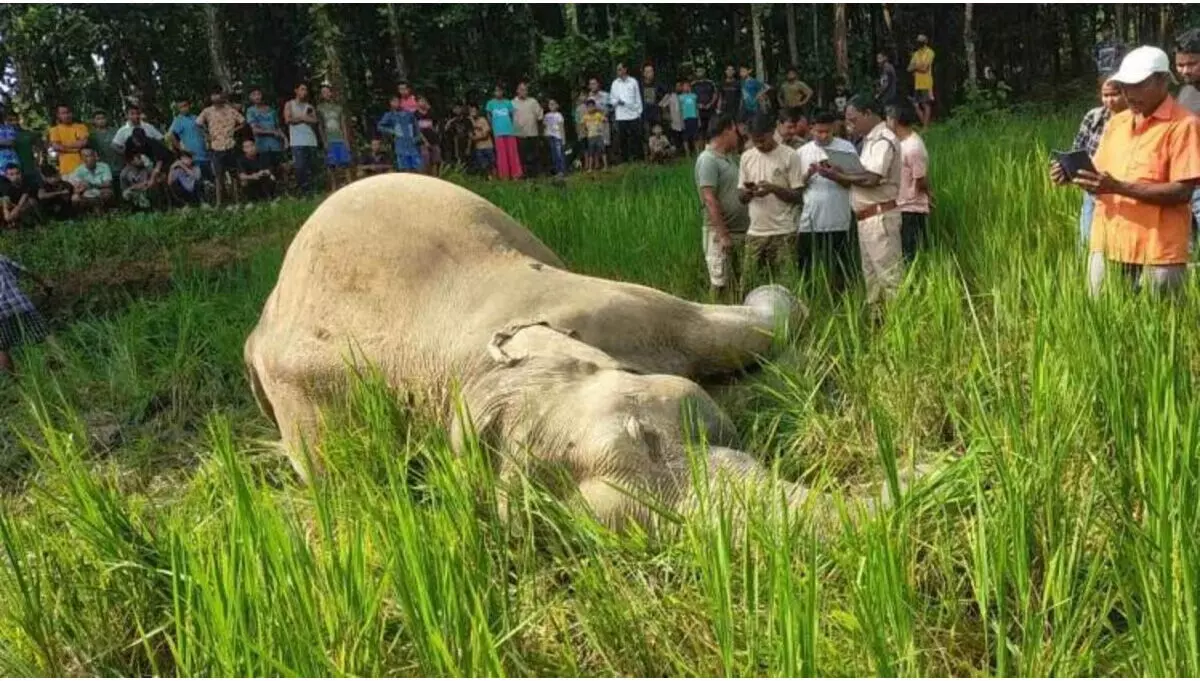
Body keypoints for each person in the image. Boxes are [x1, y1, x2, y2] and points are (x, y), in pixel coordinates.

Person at [1051, 46, 1200, 298]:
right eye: (1125, 86)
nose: (1129, 94)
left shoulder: (1183, 125)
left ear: (1163, 81)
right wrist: (1072, 174)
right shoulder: (1117, 122)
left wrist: (1118, 187)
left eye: (1139, 85)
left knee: (1159, 325)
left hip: (1158, 249)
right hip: (1109, 241)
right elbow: (1098, 173)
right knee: (1102, 319)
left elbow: (1182, 191)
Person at [815, 95, 904, 316]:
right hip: (866, 218)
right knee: (872, 277)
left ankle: (900, 324)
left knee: (889, 276)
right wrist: (836, 174)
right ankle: (878, 322)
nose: (850, 125)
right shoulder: (869, 141)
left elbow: (872, 179)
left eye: (854, 120)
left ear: (868, 114)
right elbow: (861, 177)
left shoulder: (883, 140)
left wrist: (841, 174)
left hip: (879, 217)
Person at [737, 113, 804, 283]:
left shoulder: (790, 155)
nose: (759, 145)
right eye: (755, 140)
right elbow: (741, 197)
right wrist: (749, 193)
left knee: (786, 282)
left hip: (784, 231)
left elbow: (798, 196)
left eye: (762, 140)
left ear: (772, 132)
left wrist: (773, 189)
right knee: (749, 282)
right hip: (756, 231)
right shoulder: (747, 157)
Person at [796, 110, 857, 293]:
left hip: (838, 219)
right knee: (806, 267)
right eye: (819, 131)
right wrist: (809, 173)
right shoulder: (801, 152)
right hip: (810, 221)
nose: (823, 136)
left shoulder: (846, 148)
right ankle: (809, 299)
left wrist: (835, 174)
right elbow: (796, 187)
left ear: (833, 130)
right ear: (811, 129)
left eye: (827, 132)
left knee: (840, 266)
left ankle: (841, 301)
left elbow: (854, 182)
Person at [695, 115, 749, 299]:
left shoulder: (729, 159)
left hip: (739, 230)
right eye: (735, 132)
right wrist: (722, 233)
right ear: (727, 130)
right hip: (721, 232)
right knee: (719, 282)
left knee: (736, 281)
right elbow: (709, 198)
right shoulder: (708, 159)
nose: (738, 137)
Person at [1071, 76, 1127, 249]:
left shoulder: (1134, 118)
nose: (1109, 100)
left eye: (1115, 95)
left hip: (1121, 188)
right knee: (1087, 241)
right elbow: (1078, 147)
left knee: (1118, 243)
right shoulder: (1094, 117)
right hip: (1092, 187)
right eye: (1105, 95)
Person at [888, 103, 932, 263]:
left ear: (895, 121)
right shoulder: (900, 143)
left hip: (911, 208)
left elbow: (920, 178)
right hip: (900, 205)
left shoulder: (913, 147)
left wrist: (929, 195)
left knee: (910, 253)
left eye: (888, 118)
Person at [0, 253, 53, 375]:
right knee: (45, 333)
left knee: (1, 347)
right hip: (20, 304)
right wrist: (44, 284)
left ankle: (10, 380)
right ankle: (63, 359)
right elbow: (26, 272)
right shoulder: (1, 258)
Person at [197, 89, 247, 205]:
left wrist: (234, 130)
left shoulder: (231, 110)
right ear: (210, 97)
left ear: (223, 95)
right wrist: (207, 135)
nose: (216, 97)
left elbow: (243, 122)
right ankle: (219, 204)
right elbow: (198, 124)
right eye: (214, 94)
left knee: (234, 175)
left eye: (218, 94)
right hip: (216, 147)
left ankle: (237, 201)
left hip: (230, 145)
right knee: (219, 177)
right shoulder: (207, 111)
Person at [1174, 29, 1200, 241]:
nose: (1184, 71)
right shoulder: (1185, 92)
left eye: (1192, 64)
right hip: (1185, 185)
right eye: (1180, 65)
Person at [284, 83, 320, 194]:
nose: (304, 92)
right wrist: (303, 118)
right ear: (296, 90)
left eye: (306, 90)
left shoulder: (309, 106)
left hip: (311, 140)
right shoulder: (290, 104)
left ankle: (313, 190)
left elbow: (315, 121)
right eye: (302, 89)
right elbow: (288, 120)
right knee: (300, 167)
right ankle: (303, 191)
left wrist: (302, 119)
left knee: (312, 166)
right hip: (297, 141)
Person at [318, 85, 353, 189]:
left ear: (331, 93)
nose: (326, 94)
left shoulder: (338, 108)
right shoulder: (320, 108)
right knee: (331, 165)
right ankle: (334, 187)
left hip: (340, 138)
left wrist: (346, 140)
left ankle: (349, 184)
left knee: (345, 163)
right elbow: (321, 126)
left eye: (327, 92)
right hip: (329, 139)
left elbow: (343, 125)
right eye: (323, 92)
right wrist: (324, 141)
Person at [167, 99, 210, 182]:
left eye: (185, 106)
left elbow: (204, 131)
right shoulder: (179, 120)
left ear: (189, 106)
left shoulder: (195, 117)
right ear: (178, 109)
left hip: (205, 155)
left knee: (210, 180)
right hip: (193, 157)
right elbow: (171, 136)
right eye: (181, 107)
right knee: (198, 181)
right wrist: (181, 149)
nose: (184, 108)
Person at [377, 95, 423, 173]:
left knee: (418, 167)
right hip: (400, 144)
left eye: (397, 101)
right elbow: (380, 126)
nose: (396, 103)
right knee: (404, 168)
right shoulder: (389, 115)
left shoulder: (409, 114)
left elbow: (416, 126)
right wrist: (392, 131)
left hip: (412, 144)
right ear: (390, 103)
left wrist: (417, 137)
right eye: (394, 101)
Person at [246, 88, 286, 172]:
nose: (257, 97)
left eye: (258, 94)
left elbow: (277, 127)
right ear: (250, 97)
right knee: (267, 171)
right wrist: (271, 132)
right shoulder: (251, 111)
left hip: (276, 145)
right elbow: (255, 130)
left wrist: (285, 139)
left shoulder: (271, 110)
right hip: (262, 146)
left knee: (279, 169)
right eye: (254, 94)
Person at [486, 85, 522, 180]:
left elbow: (511, 116)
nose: (498, 92)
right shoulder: (490, 103)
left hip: (509, 131)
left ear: (503, 92)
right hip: (498, 132)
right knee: (501, 154)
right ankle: (504, 176)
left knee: (512, 153)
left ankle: (515, 175)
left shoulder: (508, 102)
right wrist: (493, 127)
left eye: (500, 90)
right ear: (494, 92)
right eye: (496, 90)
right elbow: (489, 116)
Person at [611, 63, 644, 164]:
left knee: (636, 137)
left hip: (633, 114)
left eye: (620, 69)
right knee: (623, 139)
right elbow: (612, 99)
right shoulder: (615, 83)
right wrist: (617, 102)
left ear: (625, 69)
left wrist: (639, 112)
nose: (618, 72)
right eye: (617, 70)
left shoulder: (633, 82)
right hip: (621, 116)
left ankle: (639, 158)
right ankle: (625, 159)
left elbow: (638, 97)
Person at [67, 147, 115, 212]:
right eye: (84, 156)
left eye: (88, 156)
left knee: (107, 193)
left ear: (95, 156)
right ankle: (83, 216)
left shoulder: (104, 166)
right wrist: (79, 190)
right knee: (75, 198)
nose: (86, 159)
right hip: (86, 194)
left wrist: (91, 185)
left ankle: (107, 211)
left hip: (100, 191)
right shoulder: (78, 170)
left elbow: (108, 183)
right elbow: (76, 189)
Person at [46, 105, 89, 176]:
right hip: (66, 169)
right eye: (63, 113)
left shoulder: (81, 127)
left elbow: (84, 143)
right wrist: (76, 148)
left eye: (68, 112)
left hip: (84, 166)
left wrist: (63, 144)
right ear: (58, 115)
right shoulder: (54, 130)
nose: (66, 115)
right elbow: (56, 146)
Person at [511, 82, 543, 177]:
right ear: (517, 91)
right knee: (522, 156)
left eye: (525, 90)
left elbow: (540, 116)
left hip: (532, 132)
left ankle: (536, 175)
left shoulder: (533, 101)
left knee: (534, 155)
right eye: (521, 89)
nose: (523, 92)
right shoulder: (512, 103)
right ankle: (523, 174)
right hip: (519, 134)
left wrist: (540, 130)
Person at [907, 35, 936, 127]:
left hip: (926, 82)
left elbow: (925, 68)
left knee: (926, 104)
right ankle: (925, 124)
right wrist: (917, 67)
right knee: (916, 104)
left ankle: (925, 127)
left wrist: (915, 67)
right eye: (918, 40)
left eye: (921, 40)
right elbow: (909, 68)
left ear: (926, 41)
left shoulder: (930, 52)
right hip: (917, 82)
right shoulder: (916, 54)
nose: (920, 42)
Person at [237, 138, 278, 202]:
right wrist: (252, 176)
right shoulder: (241, 160)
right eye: (247, 147)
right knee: (244, 182)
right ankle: (252, 200)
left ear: (255, 146)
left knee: (272, 177)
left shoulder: (262, 156)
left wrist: (266, 172)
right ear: (244, 149)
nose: (251, 149)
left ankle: (269, 197)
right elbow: (241, 176)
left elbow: (270, 168)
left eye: (252, 145)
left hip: (263, 178)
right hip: (251, 180)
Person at [1, 164, 39, 229]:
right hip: (14, 204)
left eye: (18, 173)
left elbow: (24, 198)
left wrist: (16, 210)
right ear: (7, 176)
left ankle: (34, 221)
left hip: (26, 204)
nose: (15, 176)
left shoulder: (26, 182)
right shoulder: (6, 184)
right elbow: (5, 198)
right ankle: (12, 223)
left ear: (21, 173)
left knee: (31, 201)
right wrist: (5, 211)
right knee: (4, 205)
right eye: (11, 174)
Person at [7, 112, 40, 183]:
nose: (13, 122)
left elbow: (38, 148)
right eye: (10, 120)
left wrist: (38, 159)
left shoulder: (28, 133)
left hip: (29, 168)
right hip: (12, 172)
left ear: (19, 120)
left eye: (14, 120)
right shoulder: (4, 136)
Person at [641, 64, 667, 146]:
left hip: (656, 113)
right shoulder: (640, 85)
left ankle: (660, 152)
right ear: (644, 74)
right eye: (648, 71)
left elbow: (668, 94)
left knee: (658, 132)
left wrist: (662, 104)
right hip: (644, 113)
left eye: (651, 71)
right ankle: (648, 155)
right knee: (646, 133)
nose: (650, 73)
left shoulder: (658, 84)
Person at [442, 104, 474, 169]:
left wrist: (468, 148)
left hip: (465, 144)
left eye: (458, 108)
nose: (456, 110)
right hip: (455, 146)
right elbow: (446, 130)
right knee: (457, 163)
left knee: (466, 164)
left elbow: (470, 135)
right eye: (455, 108)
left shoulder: (467, 121)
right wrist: (449, 122)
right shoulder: (452, 121)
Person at [691, 67, 718, 141]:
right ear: (696, 73)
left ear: (705, 72)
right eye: (698, 71)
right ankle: (702, 148)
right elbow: (690, 97)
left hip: (710, 109)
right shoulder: (693, 84)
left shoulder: (710, 83)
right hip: (699, 110)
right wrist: (697, 105)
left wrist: (711, 104)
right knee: (701, 130)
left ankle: (711, 145)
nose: (700, 72)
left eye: (701, 71)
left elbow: (715, 94)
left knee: (712, 128)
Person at [470, 105, 496, 177]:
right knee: (484, 165)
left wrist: (475, 138)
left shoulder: (483, 120)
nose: (473, 113)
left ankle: (495, 178)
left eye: (474, 111)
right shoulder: (469, 122)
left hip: (488, 146)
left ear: (478, 111)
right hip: (478, 147)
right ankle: (490, 178)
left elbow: (486, 135)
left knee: (492, 163)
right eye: (471, 111)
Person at [582, 100, 607, 173]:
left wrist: (601, 127)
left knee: (603, 151)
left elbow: (605, 120)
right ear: (586, 108)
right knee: (591, 152)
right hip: (590, 136)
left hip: (599, 135)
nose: (590, 108)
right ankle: (590, 168)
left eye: (592, 106)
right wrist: (585, 132)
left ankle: (605, 166)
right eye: (589, 107)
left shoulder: (598, 115)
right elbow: (583, 125)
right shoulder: (585, 116)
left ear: (595, 107)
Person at [658, 82, 684, 152]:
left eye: (680, 86)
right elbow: (662, 105)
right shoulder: (670, 95)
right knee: (674, 136)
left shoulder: (685, 95)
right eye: (677, 86)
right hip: (673, 120)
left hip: (683, 120)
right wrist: (666, 115)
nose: (679, 88)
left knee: (683, 136)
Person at [544, 99, 566, 178]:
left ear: (557, 106)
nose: (551, 106)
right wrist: (545, 134)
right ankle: (556, 171)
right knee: (553, 155)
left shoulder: (559, 115)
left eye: (553, 104)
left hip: (558, 136)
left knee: (559, 154)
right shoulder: (546, 115)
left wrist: (563, 139)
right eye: (550, 104)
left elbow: (561, 127)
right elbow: (545, 126)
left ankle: (562, 171)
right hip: (550, 137)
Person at [679, 81, 700, 156]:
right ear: (682, 88)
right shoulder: (680, 97)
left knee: (695, 136)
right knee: (685, 137)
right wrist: (681, 121)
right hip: (685, 118)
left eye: (688, 86)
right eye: (685, 86)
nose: (686, 87)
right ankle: (687, 153)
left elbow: (696, 108)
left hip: (693, 117)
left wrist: (698, 119)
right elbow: (680, 110)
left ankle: (697, 152)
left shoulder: (694, 96)